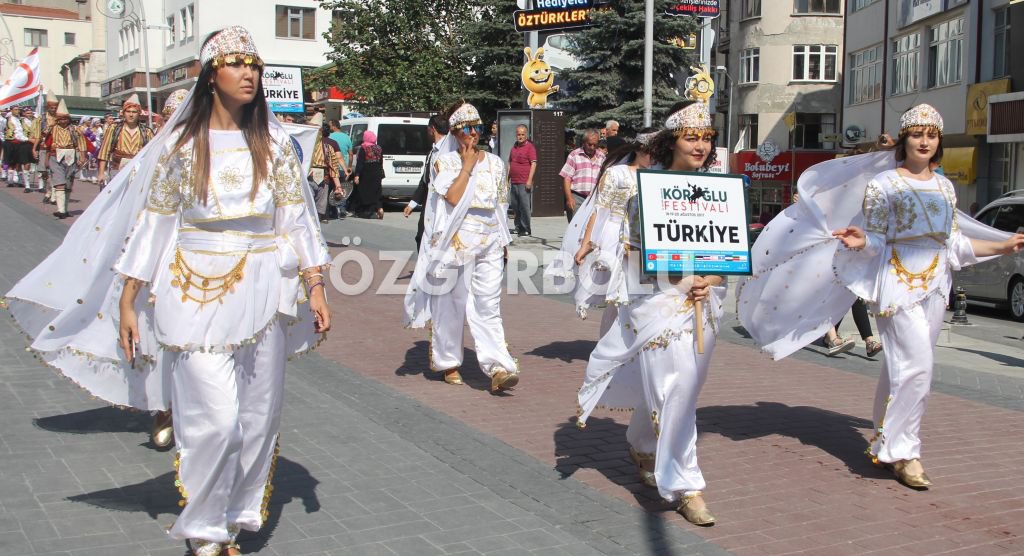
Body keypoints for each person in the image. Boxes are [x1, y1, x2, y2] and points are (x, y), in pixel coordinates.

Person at [5, 26, 331, 555]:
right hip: (195, 289)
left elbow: (297, 221)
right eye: (236, 62)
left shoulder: (273, 144)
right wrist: (130, 298)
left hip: (265, 289)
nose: (248, 72)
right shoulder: (182, 146)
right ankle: (204, 526)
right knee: (216, 418)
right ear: (211, 74)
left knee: (256, 414)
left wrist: (315, 285)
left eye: (254, 63)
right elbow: (155, 226)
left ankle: (231, 514)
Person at [739, 104, 1024, 490]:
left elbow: (953, 243)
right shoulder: (884, 184)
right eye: (917, 134)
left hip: (937, 285)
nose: (924, 141)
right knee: (918, 366)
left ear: (938, 142)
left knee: (901, 368)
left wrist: (1003, 245)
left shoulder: (945, 186)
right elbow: (875, 239)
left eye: (931, 135)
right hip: (898, 283)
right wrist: (861, 241)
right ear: (904, 140)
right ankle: (904, 451)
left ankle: (883, 436)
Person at [576, 101, 725, 526]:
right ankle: (685, 484)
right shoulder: (646, 188)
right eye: (691, 136)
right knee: (672, 388)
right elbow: (638, 252)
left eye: (706, 137)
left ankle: (642, 441)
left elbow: (728, 254)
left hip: (702, 302)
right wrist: (676, 276)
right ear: (671, 140)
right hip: (656, 299)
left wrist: (710, 279)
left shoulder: (719, 189)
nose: (700, 145)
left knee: (683, 388)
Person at [403, 100, 520, 393]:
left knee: (488, 303)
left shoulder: (494, 163)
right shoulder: (445, 162)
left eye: (477, 128)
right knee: (451, 305)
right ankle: (448, 361)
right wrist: (467, 166)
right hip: (456, 241)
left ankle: (498, 367)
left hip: (489, 241)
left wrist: (504, 240)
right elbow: (452, 198)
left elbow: (500, 205)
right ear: (455, 132)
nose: (473, 133)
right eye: (467, 128)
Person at [404, 114, 450, 250]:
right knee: (421, 237)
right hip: (428, 204)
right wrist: (412, 204)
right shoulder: (432, 151)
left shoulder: (448, 151)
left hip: (442, 205)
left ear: (432, 129)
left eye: (428, 129)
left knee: (437, 241)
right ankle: (425, 269)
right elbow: (425, 180)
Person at [39, 99, 87, 219]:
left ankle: (65, 209)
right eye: (60, 119)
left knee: (68, 183)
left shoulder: (75, 129)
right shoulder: (52, 128)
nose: (63, 121)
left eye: (65, 118)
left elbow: (82, 144)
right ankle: (60, 210)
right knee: (59, 181)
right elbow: (42, 139)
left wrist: (82, 157)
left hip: (70, 155)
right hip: (56, 156)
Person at [97, 94, 155, 188]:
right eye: (128, 111)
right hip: (117, 169)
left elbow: (153, 154)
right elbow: (104, 151)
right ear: (124, 113)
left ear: (139, 113)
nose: (131, 115)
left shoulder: (147, 132)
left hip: (138, 170)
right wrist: (101, 173)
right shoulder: (114, 129)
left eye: (134, 112)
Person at [559, 128, 605, 222]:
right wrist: (569, 198)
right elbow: (567, 178)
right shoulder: (574, 155)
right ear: (584, 142)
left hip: (594, 198)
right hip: (577, 197)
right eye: (589, 144)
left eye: (595, 145)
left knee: (591, 229)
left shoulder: (601, 157)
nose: (592, 147)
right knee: (575, 227)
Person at [307, 112, 344, 222]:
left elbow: (333, 167)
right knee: (308, 206)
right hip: (308, 177)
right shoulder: (305, 145)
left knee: (320, 209)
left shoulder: (327, 147)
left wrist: (338, 187)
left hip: (323, 179)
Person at [507, 124, 537, 236]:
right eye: (518, 134)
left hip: (524, 182)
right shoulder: (514, 147)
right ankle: (518, 226)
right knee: (515, 206)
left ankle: (526, 228)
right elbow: (510, 163)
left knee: (524, 206)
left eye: (522, 134)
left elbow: (533, 164)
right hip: (514, 181)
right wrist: (507, 179)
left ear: (526, 134)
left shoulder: (530, 147)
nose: (520, 136)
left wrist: (529, 180)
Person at [349, 129, 385, 219]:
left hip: (366, 173)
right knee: (375, 191)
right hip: (377, 173)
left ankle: (367, 213)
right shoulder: (379, 148)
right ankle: (378, 209)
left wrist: (357, 175)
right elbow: (381, 162)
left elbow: (360, 163)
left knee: (364, 192)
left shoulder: (364, 148)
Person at [31, 91, 59, 194]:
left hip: (56, 146)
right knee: (43, 168)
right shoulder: (42, 118)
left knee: (54, 170)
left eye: (55, 108)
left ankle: (52, 189)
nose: (53, 109)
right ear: (48, 108)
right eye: (51, 108)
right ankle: (44, 185)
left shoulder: (60, 118)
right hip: (44, 145)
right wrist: (34, 148)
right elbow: (38, 135)